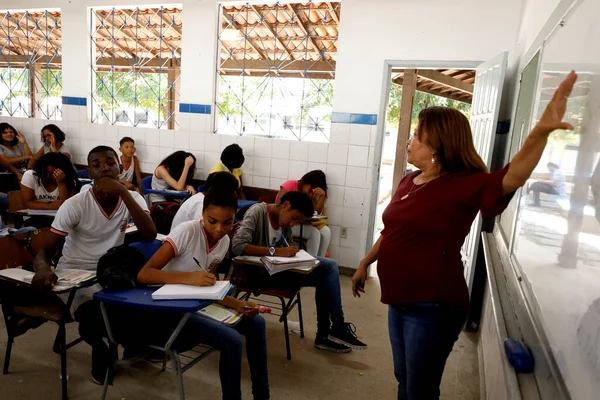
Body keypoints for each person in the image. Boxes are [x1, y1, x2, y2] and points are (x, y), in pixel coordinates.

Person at [351, 72, 579, 400]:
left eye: (417, 136)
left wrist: (540, 133)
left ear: (438, 148)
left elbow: (512, 177)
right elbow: (392, 232)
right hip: (398, 298)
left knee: (420, 389)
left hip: (433, 305)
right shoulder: (409, 181)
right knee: (405, 378)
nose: (409, 142)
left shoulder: (464, 184)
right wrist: (365, 262)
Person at [31, 145, 156, 384]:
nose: (104, 168)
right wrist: (44, 269)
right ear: (89, 172)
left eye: (110, 162)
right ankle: (100, 348)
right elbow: (45, 251)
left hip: (110, 271)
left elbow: (149, 233)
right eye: (96, 165)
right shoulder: (75, 204)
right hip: (75, 271)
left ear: (120, 167)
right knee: (95, 313)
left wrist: (123, 192)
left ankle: (132, 345)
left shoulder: (133, 198)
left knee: (144, 301)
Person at [138, 186, 269, 400]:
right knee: (232, 340)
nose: (219, 228)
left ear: (234, 219)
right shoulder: (187, 231)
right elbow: (145, 274)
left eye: (227, 222)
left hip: (198, 306)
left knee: (257, 322)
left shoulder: (225, 241)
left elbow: (208, 287)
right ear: (202, 215)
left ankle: (262, 395)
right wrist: (188, 277)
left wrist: (236, 304)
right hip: (171, 311)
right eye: (212, 221)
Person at [232, 191, 367, 352]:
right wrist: (276, 251)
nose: (293, 224)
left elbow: (285, 250)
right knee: (329, 266)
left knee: (325, 275)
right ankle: (335, 328)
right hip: (256, 274)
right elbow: (238, 246)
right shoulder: (258, 212)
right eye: (294, 218)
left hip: (279, 271)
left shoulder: (285, 225)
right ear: (286, 205)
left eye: (297, 222)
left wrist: (294, 256)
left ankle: (326, 334)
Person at [276, 170, 330, 257]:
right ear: (306, 183)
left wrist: (321, 197)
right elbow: (279, 205)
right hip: (288, 222)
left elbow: (314, 212)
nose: (311, 192)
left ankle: (320, 260)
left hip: (303, 223)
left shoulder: (308, 195)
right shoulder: (290, 185)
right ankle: (311, 262)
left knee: (326, 231)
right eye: (310, 188)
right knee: (314, 233)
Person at [170, 171, 239, 230]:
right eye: (232, 192)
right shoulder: (203, 204)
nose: (235, 196)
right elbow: (202, 231)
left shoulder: (202, 198)